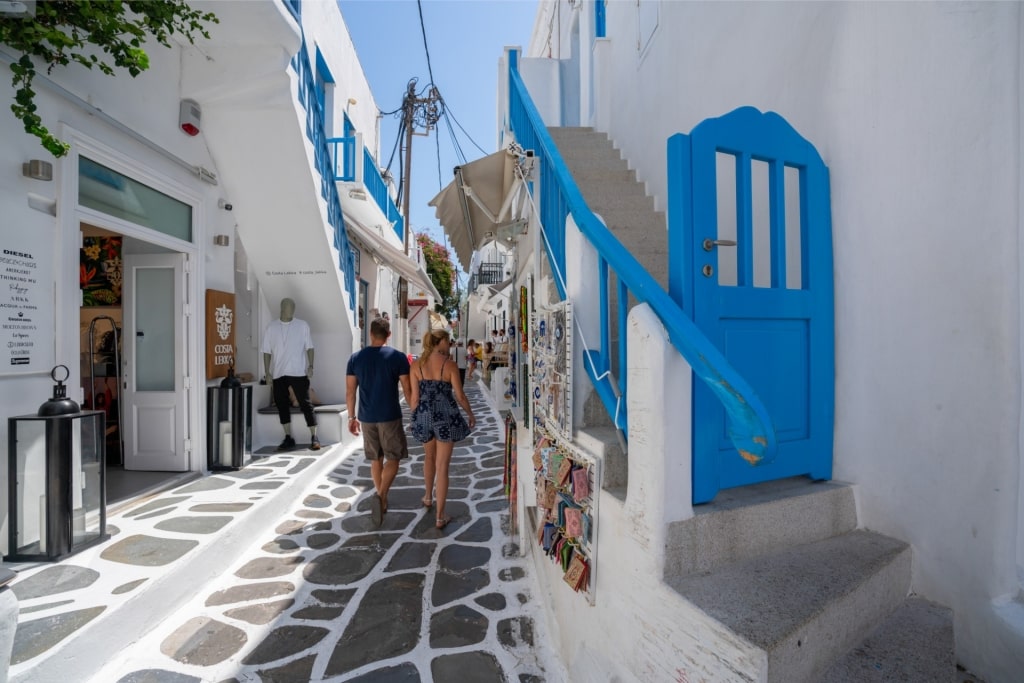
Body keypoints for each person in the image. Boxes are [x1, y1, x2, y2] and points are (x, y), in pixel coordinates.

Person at [346, 317, 412, 527]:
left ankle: (381, 498)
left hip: (366, 417)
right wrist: (415, 410)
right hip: (390, 415)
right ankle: (381, 495)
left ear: (371, 335)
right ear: (388, 335)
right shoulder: (398, 357)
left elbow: (350, 391)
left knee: (376, 459)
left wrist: (351, 417)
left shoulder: (355, 358)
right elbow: (407, 389)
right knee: (393, 458)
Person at [409, 329, 476, 529]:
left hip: (424, 416)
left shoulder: (416, 365)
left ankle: (428, 497)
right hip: (445, 418)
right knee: (442, 466)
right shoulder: (449, 365)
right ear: (442, 342)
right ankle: (440, 516)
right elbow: (460, 396)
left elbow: (413, 398)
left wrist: (416, 417)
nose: (449, 344)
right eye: (447, 341)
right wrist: (470, 414)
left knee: (428, 458)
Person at [262, 297, 318, 451]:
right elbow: (266, 351)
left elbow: (310, 347)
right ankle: (288, 437)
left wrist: (311, 366)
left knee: (306, 403)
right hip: (278, 373)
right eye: (288, 307)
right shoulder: (271, 327)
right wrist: (267, 372)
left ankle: (314, 436)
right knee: (282, 405)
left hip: (298, 371)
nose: (291, 310)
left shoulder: (302, 325)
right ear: (282, 308)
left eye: (293, 307)